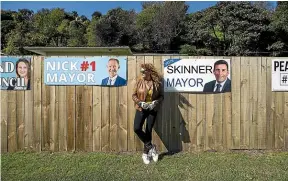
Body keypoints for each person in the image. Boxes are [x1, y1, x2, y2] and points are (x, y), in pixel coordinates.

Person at [132, 63, 164, 164]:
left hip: (152, 109)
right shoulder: (139, 82)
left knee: (148, 130)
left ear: (149, 72)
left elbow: (161, 96)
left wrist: (155, 102)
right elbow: (133, 95)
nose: (142, 73)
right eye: (141, 71)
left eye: (143, 71)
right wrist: (140, 102)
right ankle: (151, 147)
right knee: (137, 128)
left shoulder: (156, 83)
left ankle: (145, 154)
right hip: (141, 108)